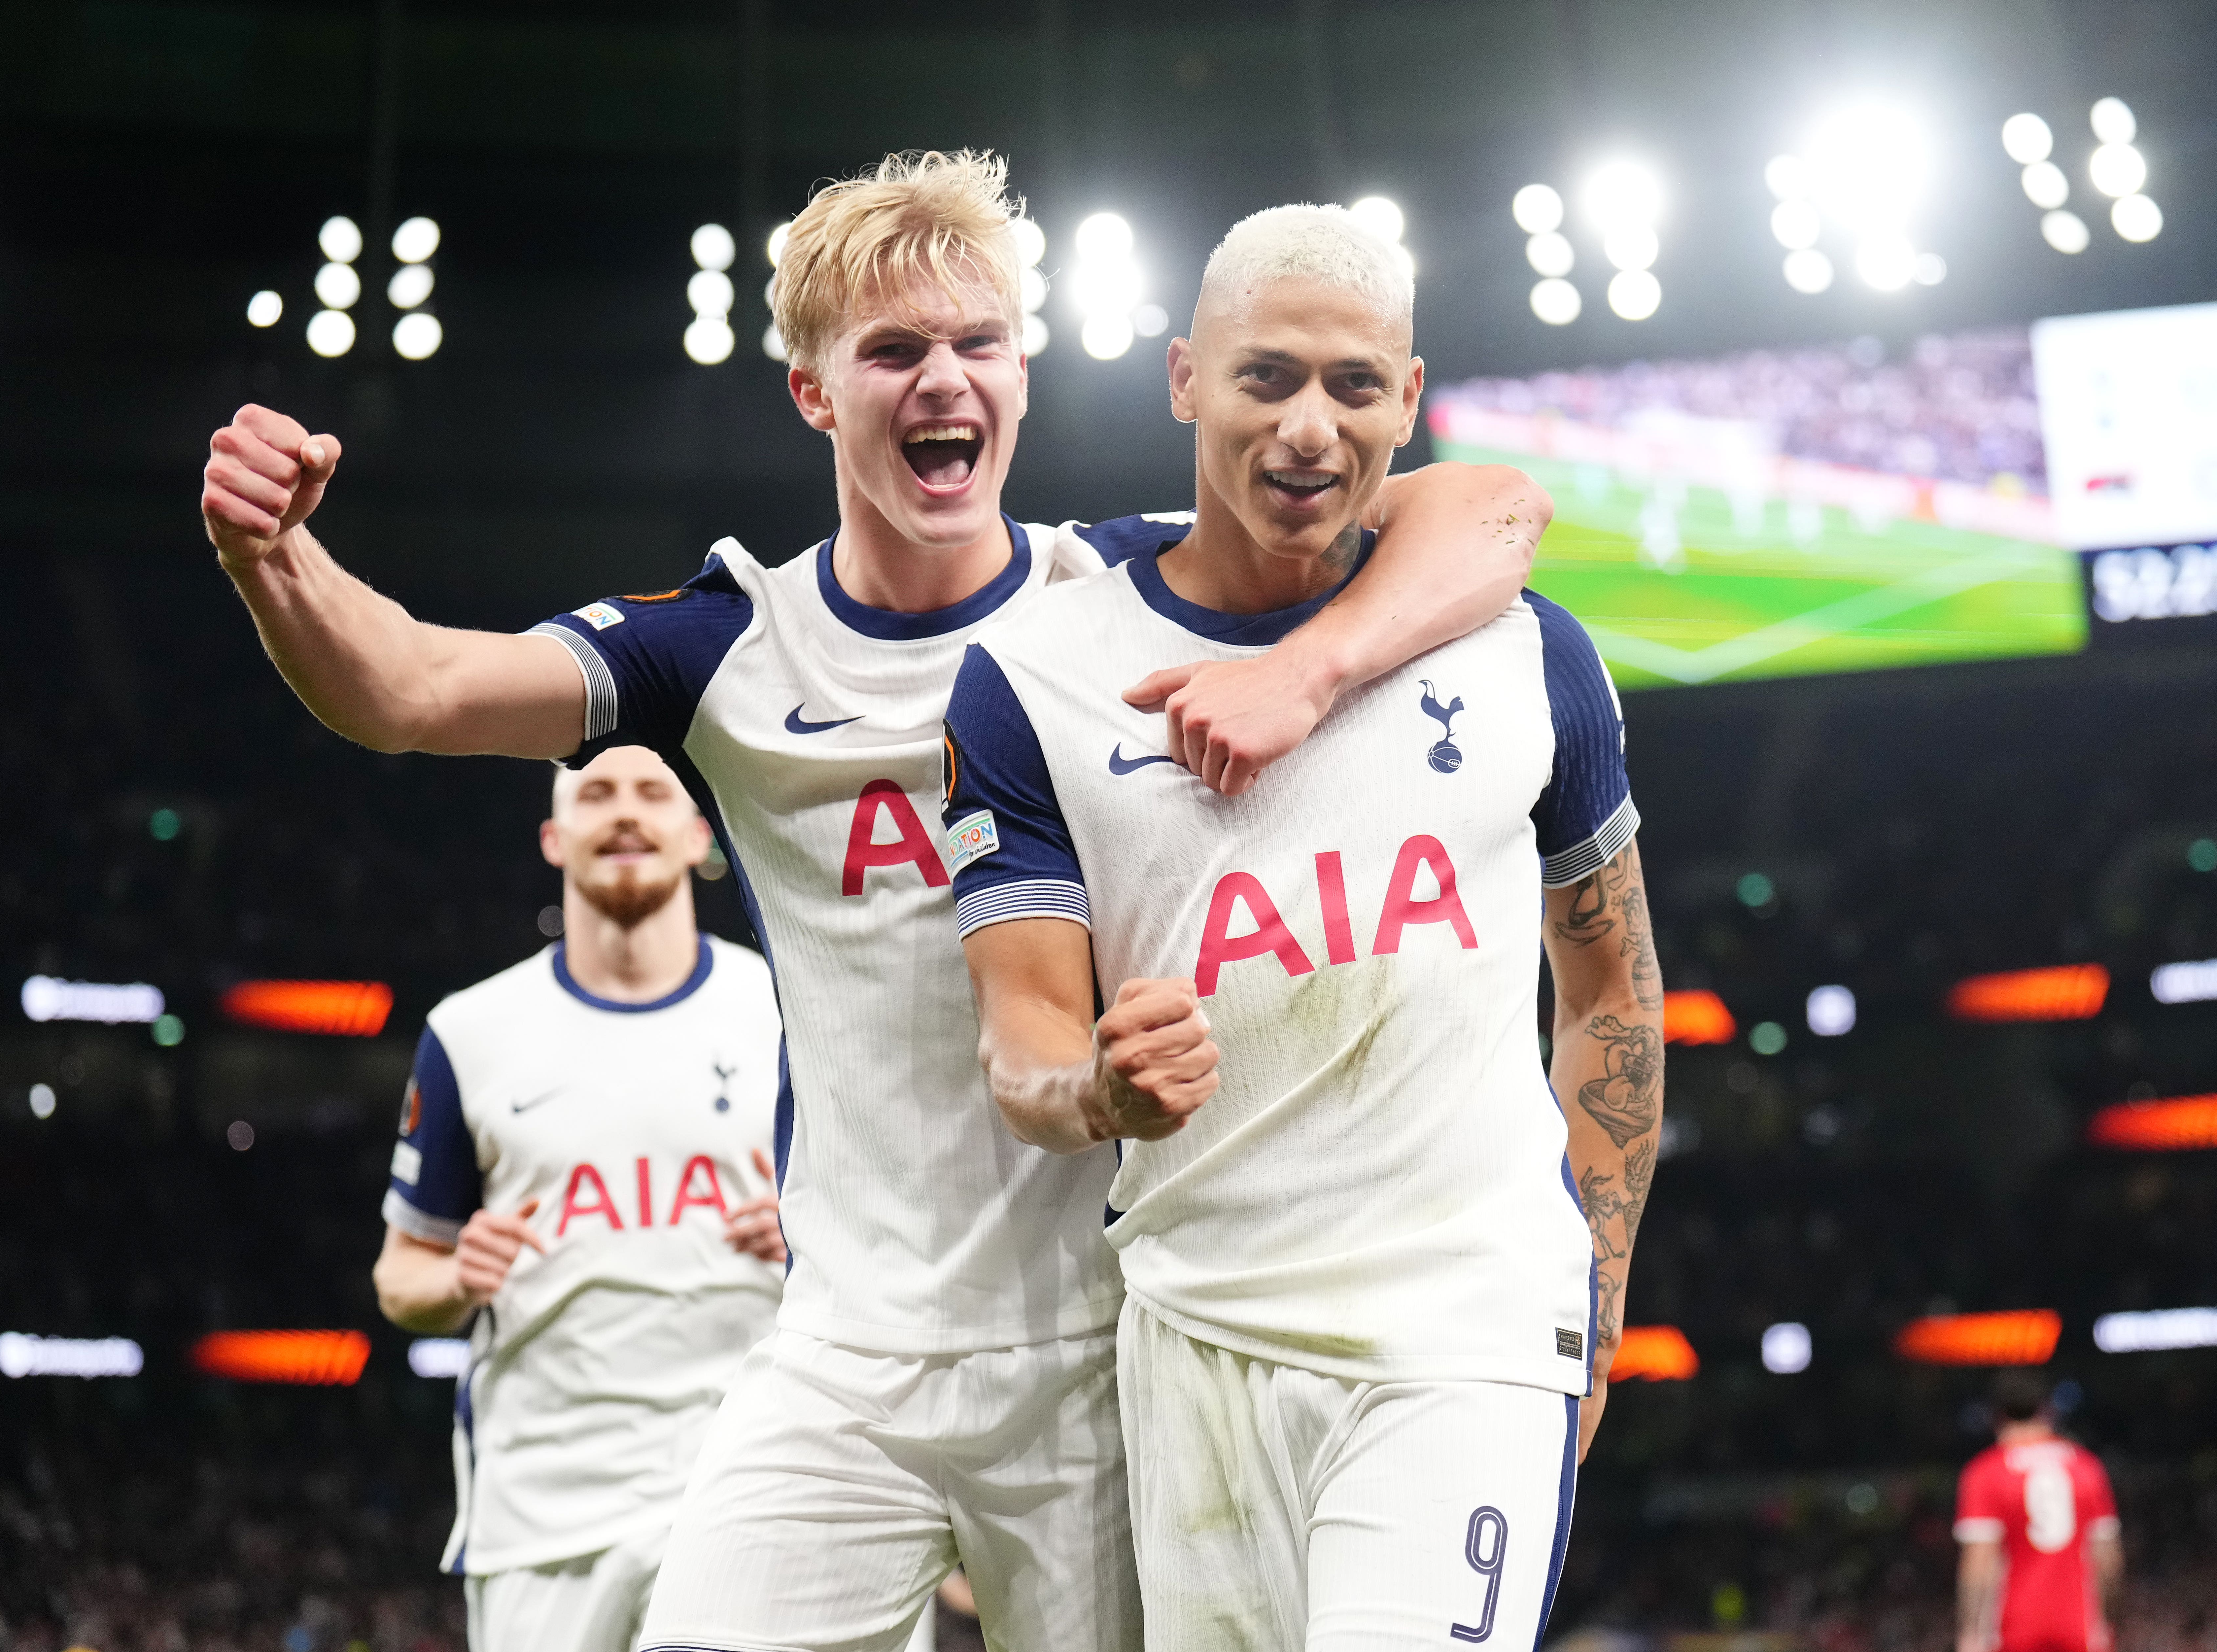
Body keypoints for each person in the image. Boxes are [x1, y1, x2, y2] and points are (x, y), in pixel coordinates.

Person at [200, 150, 1551, 1651]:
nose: (941, 383)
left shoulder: (1114, 603)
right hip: (849, 1351)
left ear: (1021, 377)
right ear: (813, 394)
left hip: (1111, 1354)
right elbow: (414, 688)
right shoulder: (729, 647)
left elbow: (1487, 507)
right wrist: (276, 560)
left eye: (976, 345)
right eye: (894, 352)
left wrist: (1312, 663)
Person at [941, 203, 1660, 1651]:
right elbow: (1019, 1043)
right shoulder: (1031, 681)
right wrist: (1094, 1086)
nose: (1310, 428)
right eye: (1265, 377)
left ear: (1408, 397)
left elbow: (1610, 991)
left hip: (1463, 1325)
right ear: (1183, 379)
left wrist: (1593, 1300)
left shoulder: (1528, 651)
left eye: (1350, 384)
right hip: (1194, 1336)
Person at [372, 743, 789, 1652]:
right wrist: (455, 1276)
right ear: (555, 838)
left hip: (769, 1487)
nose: (624, 811)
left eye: (651, 791)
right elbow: (401, 1277)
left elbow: (887, 1227)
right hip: (547, 1515)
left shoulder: (791, 1007)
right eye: (596, 793)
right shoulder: (472, 1031)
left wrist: (812, 1240)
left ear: (696, 832)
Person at [1954, 1373, 2122, 1652]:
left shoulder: (1986, 1473)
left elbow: (1978, 1565)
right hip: (2080, 1632)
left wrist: (1970, 1634)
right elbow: (2109, 1561)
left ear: (1996, 1415)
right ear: (2048, 1410)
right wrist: (2109, 1624)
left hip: (2011, 1633)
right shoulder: (2086, 1468)